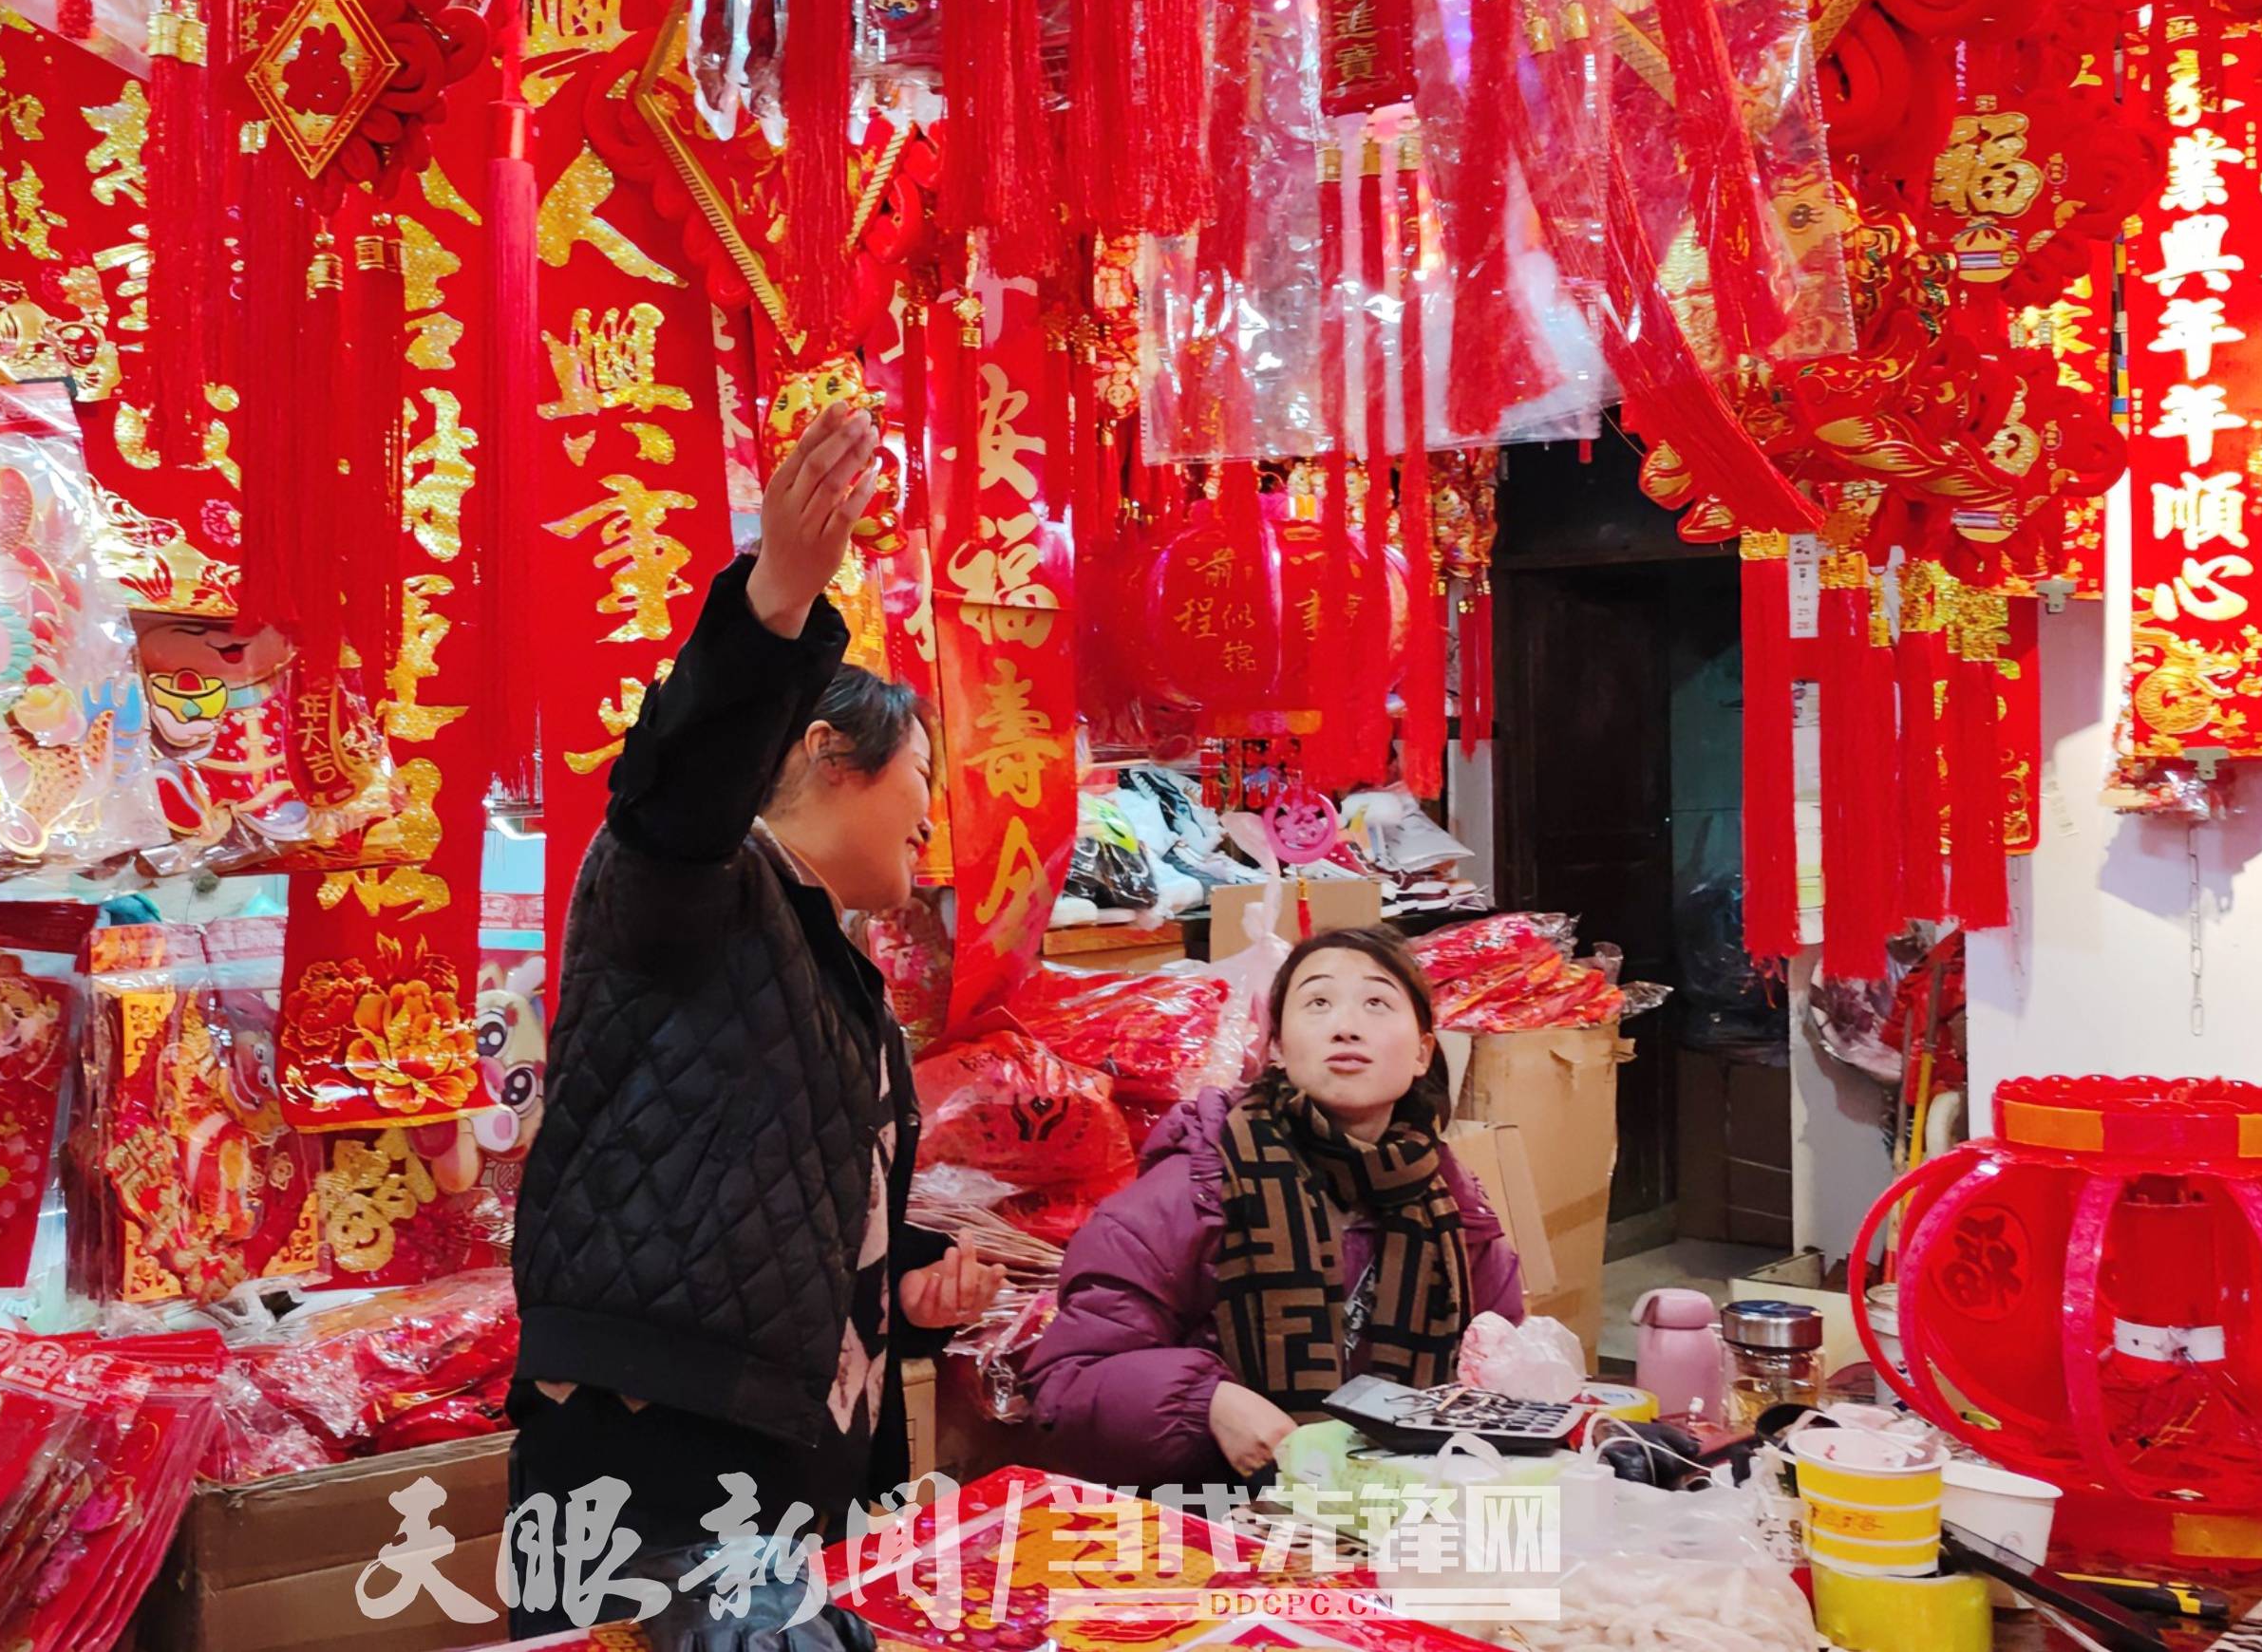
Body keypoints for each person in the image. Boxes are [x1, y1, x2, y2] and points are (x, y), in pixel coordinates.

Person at [508, 400, 1001, 1636]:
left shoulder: (835, 965)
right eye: (921, 782)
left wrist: (919, 1275)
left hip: (791, 1449)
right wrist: (774, 593)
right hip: (652, 1452)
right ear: (830, 751)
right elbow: (671, 786)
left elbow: (777, 1198)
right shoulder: (692, 880)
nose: (929, 822)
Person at [1025, 927, 1524, 1488]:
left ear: (1422, 1053)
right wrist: (1207, 1402)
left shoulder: (1452, 1207)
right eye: (1317, 1002)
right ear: (1279, 1049)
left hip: (1406, 1518)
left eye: (1378, 1002)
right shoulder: (1195, 1189)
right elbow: (1067, 1384)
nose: (1346, 1025)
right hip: (1222, 1521)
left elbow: (1498, 1361)